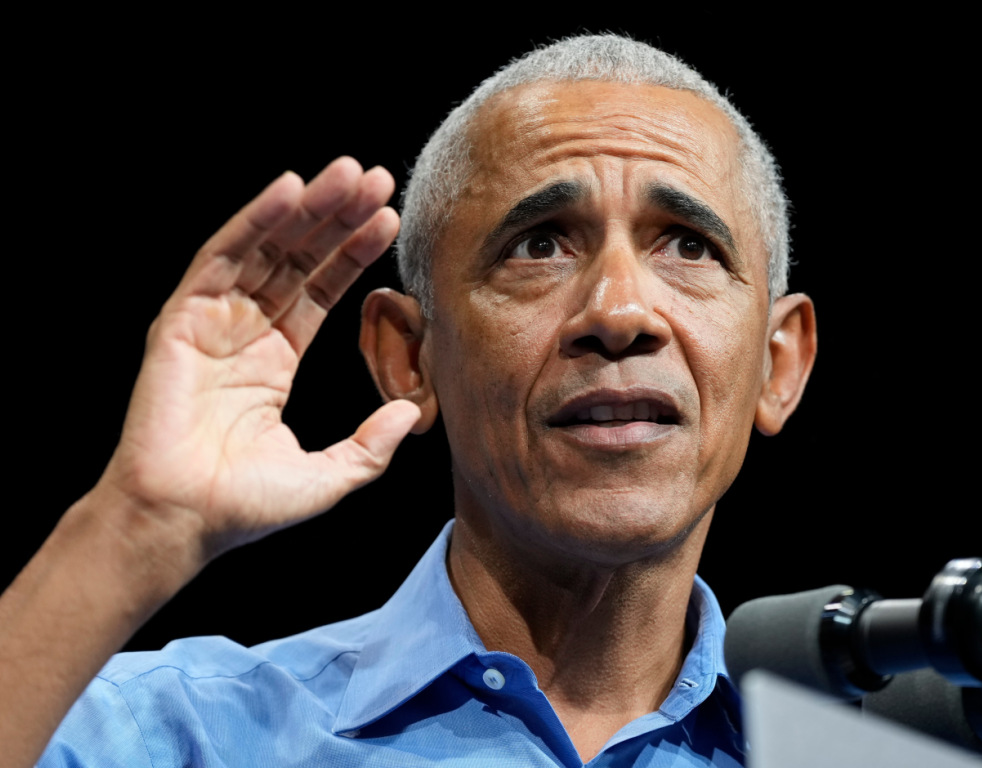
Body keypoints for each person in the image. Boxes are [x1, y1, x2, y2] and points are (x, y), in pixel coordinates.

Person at [1, 35, 816, 767]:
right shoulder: (181, 735)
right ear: (408, 356)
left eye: (688, 246)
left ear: (778, 364)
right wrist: (139, 521)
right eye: (539, 245)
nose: (619, 311)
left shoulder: (863, 747)